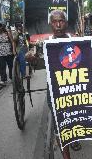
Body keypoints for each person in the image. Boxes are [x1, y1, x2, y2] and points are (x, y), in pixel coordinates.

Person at [26, 10, 81, 159]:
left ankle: (74, 136)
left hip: (76, 88)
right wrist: (31, 57)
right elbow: (34, 57)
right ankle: (66, 155)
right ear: (50, 24)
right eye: (55, 21)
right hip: (55, 89)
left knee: (75, 116)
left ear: (66, 23)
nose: (58, 24)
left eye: (61, 21)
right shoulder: (45, 43)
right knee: (59, 122)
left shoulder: (76, 41)